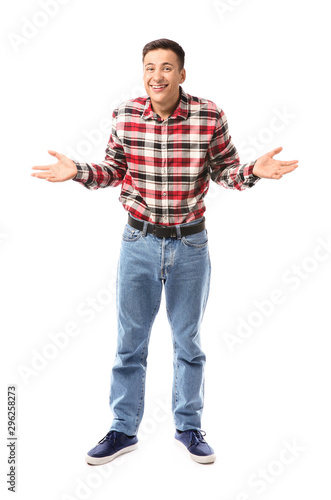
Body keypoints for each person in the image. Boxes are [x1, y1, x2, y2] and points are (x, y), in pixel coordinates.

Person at [31, 38, 299, 465]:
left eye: (167, 67)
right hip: (137, 242)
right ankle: (123, 431)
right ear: (143, 73)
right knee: (129, 343)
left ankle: (188, 427)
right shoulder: (125, 115)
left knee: (188, 341)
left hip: (190, 244)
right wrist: (77, 171)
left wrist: (254, 172)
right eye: (150, 67)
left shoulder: (209, 114)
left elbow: (226, 171)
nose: (158, 75)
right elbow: (114, 171)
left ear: (182, 74)